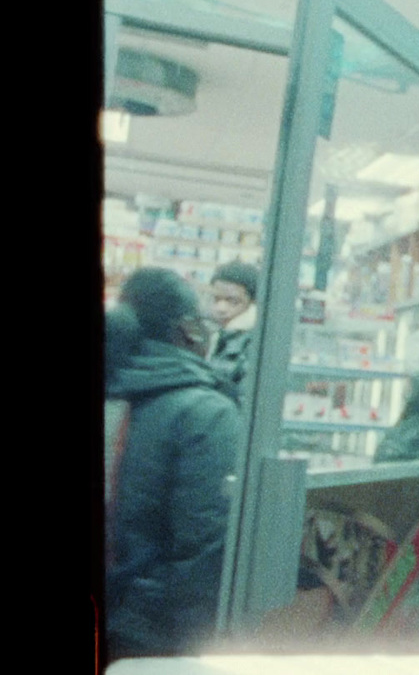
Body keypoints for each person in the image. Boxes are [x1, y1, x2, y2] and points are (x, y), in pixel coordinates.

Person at [106, 268, 242, 659]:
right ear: (187, 330)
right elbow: (205, 543)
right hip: (149, 631)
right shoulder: (206, 413)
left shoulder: (116, 391)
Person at [207, 260, 259, 404]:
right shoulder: (215, 335)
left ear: (253, 303)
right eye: (216, 299)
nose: (221, 308)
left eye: (233, 301)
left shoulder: (253, 344)